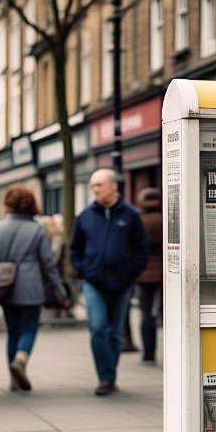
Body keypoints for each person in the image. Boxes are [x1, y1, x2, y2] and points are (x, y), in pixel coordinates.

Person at [71, 168, 148, 395]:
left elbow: (141, 249)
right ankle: (104, 376)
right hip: (94, 282)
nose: (95, 189)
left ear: (113, 186)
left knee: (114, 332)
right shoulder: (85, 216)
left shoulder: (131, 215)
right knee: (97, 327)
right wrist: (82, 270)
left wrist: (131, 272)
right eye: (93, 185)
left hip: (122, 284)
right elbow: (75, 248)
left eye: (99, 185)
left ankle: (109, 376)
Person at [0, 188, 70, 392]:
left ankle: (13, 379)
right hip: (30, 286)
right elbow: (48, 263)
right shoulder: (37, 229)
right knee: (29, 328)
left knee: (12, 331)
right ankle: (21, 360)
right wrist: (60, 290)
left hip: (4, 286)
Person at [134, 188, 162, 364]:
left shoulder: (138, 221)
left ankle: (148, 353)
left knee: (146, 314)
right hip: (163, 274)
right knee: (167, 313)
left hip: (142, 274)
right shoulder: (164, 219)